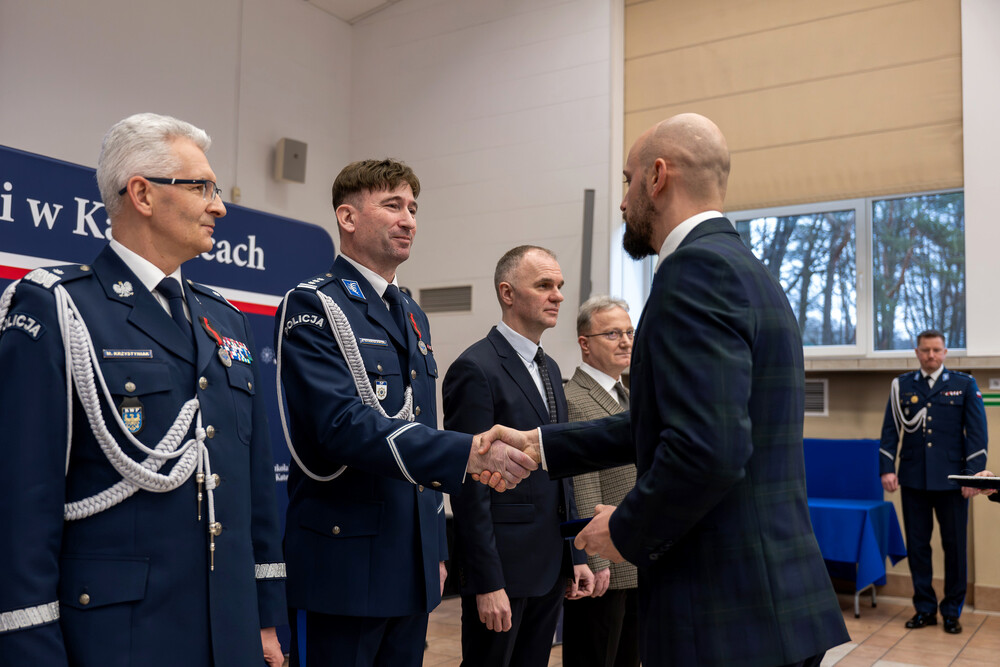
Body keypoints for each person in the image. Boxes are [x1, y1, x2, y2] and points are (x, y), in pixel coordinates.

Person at [475, 113, 850, 666]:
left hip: (723, 608)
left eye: (628, 181)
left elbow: (708, 449)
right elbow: (675, 420)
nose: (623, 202)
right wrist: (540, 444)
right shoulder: (749, 269)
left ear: (657, 176)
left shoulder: (692, 272)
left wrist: (626, 529)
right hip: (769, 597)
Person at [0, 112, 287, 665]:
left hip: (229, 632)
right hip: (123, 638)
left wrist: (265, 618)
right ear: (142, 194)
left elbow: (252, 489)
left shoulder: (225, 319)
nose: (219, 207)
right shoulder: (60, 307)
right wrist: (30, 651)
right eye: (201, 187)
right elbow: (21, 506)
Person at [275, 159, 535, 667]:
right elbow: (340, 426)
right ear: (348, 217)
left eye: (413, 208)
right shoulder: (312, 304)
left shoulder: (411, 313)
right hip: (343, 565)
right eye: (392, 205)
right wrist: (468, 452)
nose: (409, 220)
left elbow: (419, 421)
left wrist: (433, 548)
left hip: (409, 562)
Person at [442, 245, 594, 667]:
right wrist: (486, 581)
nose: (558, 295)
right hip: (504, 573)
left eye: (559, 286)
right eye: (544, 285)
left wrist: (575, 555)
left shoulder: (550, 369)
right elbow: (468, 488)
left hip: (549, 566)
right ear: (507, 293)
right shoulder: (476, 368)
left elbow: (561, 471)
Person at [879, 329, 988, 634]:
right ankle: (925, 608)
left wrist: (973, 477)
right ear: (917, 352)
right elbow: (890, 430)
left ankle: (951, 611)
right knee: (917, 546)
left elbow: (977, 434)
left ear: (945, 352)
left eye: (936, 350)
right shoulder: (901, 386)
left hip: (954, 482)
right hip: (914, 479)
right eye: (925, 350)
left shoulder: (963, 384)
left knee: (954, 547)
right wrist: (886, 467)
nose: (931, 356)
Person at [560, 295, 639, 667]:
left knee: (628, 657)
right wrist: (594, 559)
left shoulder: (631, 396)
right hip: (604, 560)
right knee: (594, 657)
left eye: (629, 332)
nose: (625, 342)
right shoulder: (574, 399)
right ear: (585, 343)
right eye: (612, 334)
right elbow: (582, 482)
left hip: (634, 554)